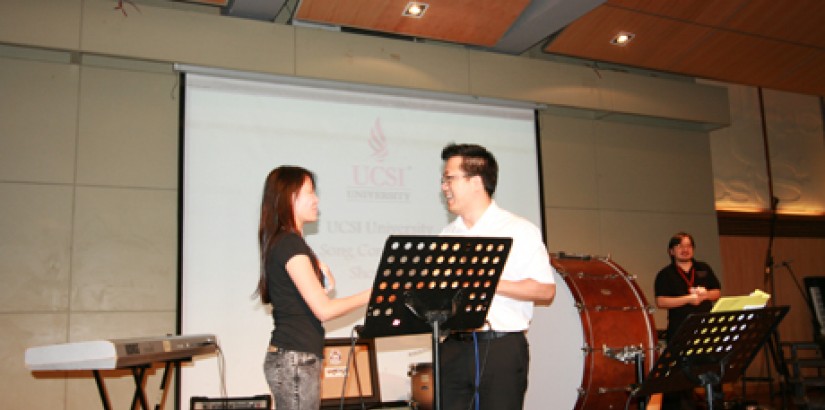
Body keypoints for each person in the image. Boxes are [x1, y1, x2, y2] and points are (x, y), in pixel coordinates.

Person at [437, 143, 557, 410]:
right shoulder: (447, 235)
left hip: (501, 346)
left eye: (449, 178)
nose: (444, 186)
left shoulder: (518, 229)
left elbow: (545, 291)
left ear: (476, 182)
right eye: (444, 180)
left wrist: (486, 282)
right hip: (453, 347)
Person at [255, 166, 371, 410]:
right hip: (295, 359)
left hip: (295, 358)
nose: (316, 199)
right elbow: (324, 310)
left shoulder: (289, 242)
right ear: (290, 197)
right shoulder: (290, 244)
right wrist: (372, 294)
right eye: (310, 192)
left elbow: (312, 296)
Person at [654, 231, 722, 410]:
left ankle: (714, 403)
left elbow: (718, 292)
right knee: (681, 375)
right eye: (680, 246)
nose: (685, 250)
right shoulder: (665, 274)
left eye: (688, 246)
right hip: (680, 330)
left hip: (706, 328)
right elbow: (661, 301)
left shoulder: (703, 268)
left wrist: (705, 294)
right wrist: (688, 299)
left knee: (712, 369)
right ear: (671, 251)